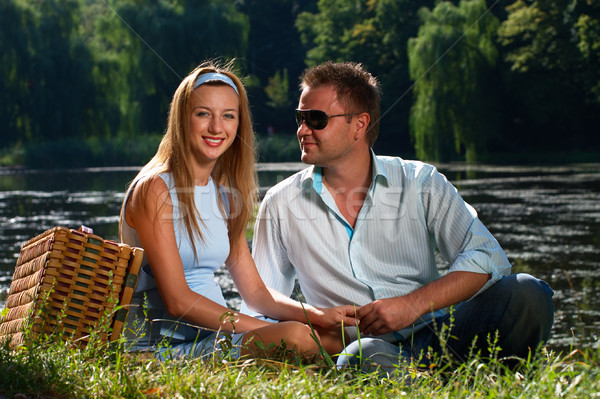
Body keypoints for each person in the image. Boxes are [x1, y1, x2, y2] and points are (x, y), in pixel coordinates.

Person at [244, 61, 555, 374]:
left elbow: (488, 257)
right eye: (300, 118)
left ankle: (467, 378)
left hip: (444, 335)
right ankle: (450, 384)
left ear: (359, 125)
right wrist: (313, 335)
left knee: (528, 292)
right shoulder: (280, 203)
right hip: (365, 350)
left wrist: (413, 305)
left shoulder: (421, 181)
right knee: (360, 357)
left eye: (316, 119)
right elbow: (262, 301)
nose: (301, 129)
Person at [119, 61, 356, 361]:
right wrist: (259, 332)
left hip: (212, 335)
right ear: (182, 119)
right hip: (160, 349)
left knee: (334, 337)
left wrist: (318, 316)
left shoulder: (224, 196)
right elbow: (178, 301)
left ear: (238, 124)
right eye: (203, 114)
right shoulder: (154, 189)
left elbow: (256, 294)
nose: (217, 128)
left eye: (228, 116)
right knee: (297, 338)